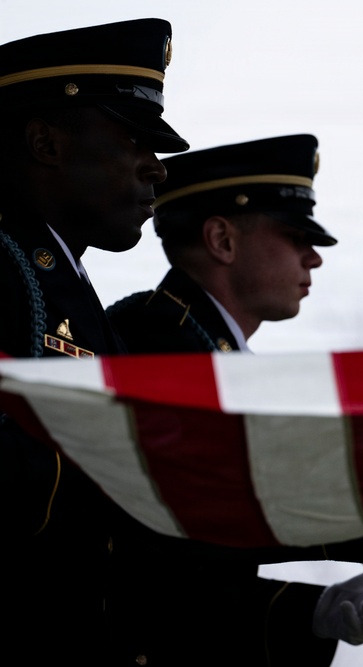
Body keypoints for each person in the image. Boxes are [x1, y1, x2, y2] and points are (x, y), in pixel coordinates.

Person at [105, 134, 363, 665]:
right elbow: (156, 566)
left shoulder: (201, 348)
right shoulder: (159, 346)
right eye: (294, 236)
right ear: (222, 240)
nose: (313, 258)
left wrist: (307, 611)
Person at [0, 18, 189, 664]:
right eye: (133, 137)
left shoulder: (77, 302)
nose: (156, 170)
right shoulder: (7, 271)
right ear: (45, 142)